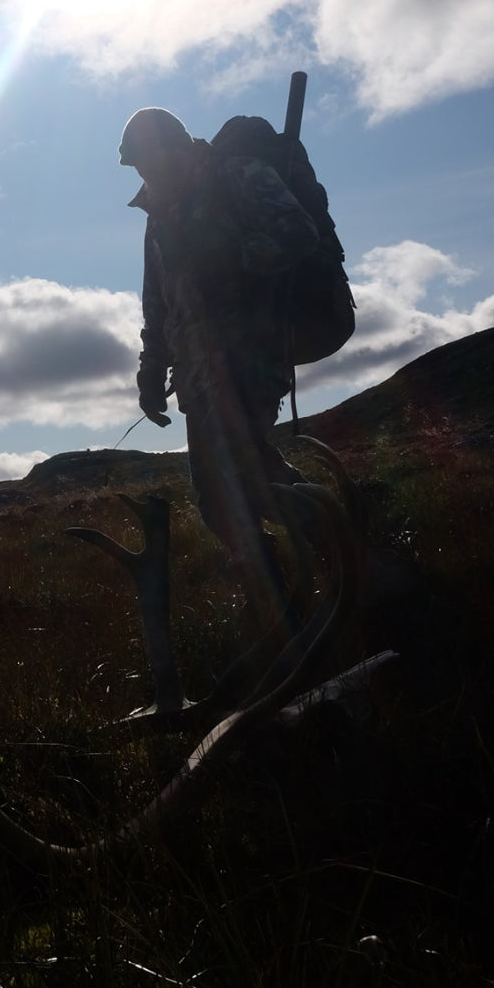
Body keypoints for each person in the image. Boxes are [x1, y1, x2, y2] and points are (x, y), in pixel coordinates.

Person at [118, 107, 322, 627]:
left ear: (176, 145)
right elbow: (156, 305)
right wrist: (150, 375)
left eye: (147, 159)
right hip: (197, 373)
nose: (144, 172)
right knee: (214, 495)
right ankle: (278, 576)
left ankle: (327, 555)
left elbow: (299, 233)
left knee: (244, 473)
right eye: (136, 165)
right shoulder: (159, 217)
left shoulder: (235, 176)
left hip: (252, 352)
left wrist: (236, 256)